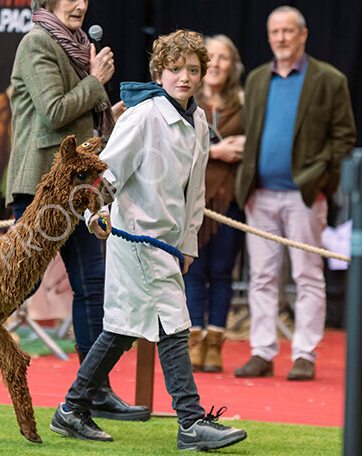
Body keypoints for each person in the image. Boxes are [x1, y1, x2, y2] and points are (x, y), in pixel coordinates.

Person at [0, 0, 149, 421]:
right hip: (40, 189)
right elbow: (54, 113)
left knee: (92, 285)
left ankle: (93, 389)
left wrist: (107, 109)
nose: (80, 5)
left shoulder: (75, 48)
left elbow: (74, 117)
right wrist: (96, 82)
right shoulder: (36, 43)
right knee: (12, 284)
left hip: (73, 190)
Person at [49, 30, 247, 451]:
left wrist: (189, 244)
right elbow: (106, 173)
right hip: (135, 237)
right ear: (159, 71)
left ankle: (71, 408)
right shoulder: (142, 116)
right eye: (176, 69)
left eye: (193, 70)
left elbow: (196, 193)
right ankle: (191, 422)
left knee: (122, 329)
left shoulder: (198, 121)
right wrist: (93, 213)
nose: (185, 77)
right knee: (175, 324)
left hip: (166, 244)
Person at [233, 5, 356, 381]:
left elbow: (344, 137)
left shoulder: (329, 79)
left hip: (305, 196)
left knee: (307, 275)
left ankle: (304, 353)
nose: (281, 38)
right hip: (260, 195)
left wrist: (319, 179)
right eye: (275, 32)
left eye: (288, 31)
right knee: (262, 277)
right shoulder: (255, 79)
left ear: (303, 34)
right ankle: (262, 351)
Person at [182, 34, 246, 373]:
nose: (217, 64)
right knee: (193, 271)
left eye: (224, 57)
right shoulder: (187, 99)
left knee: (222, 272)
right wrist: (218, 151)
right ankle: (194, 340)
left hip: (229, 201)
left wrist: (249, 144)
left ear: (232, 65)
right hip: (195, 199)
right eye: (212, 57)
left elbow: (259, 145)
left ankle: (215, 345)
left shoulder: (245, 102)